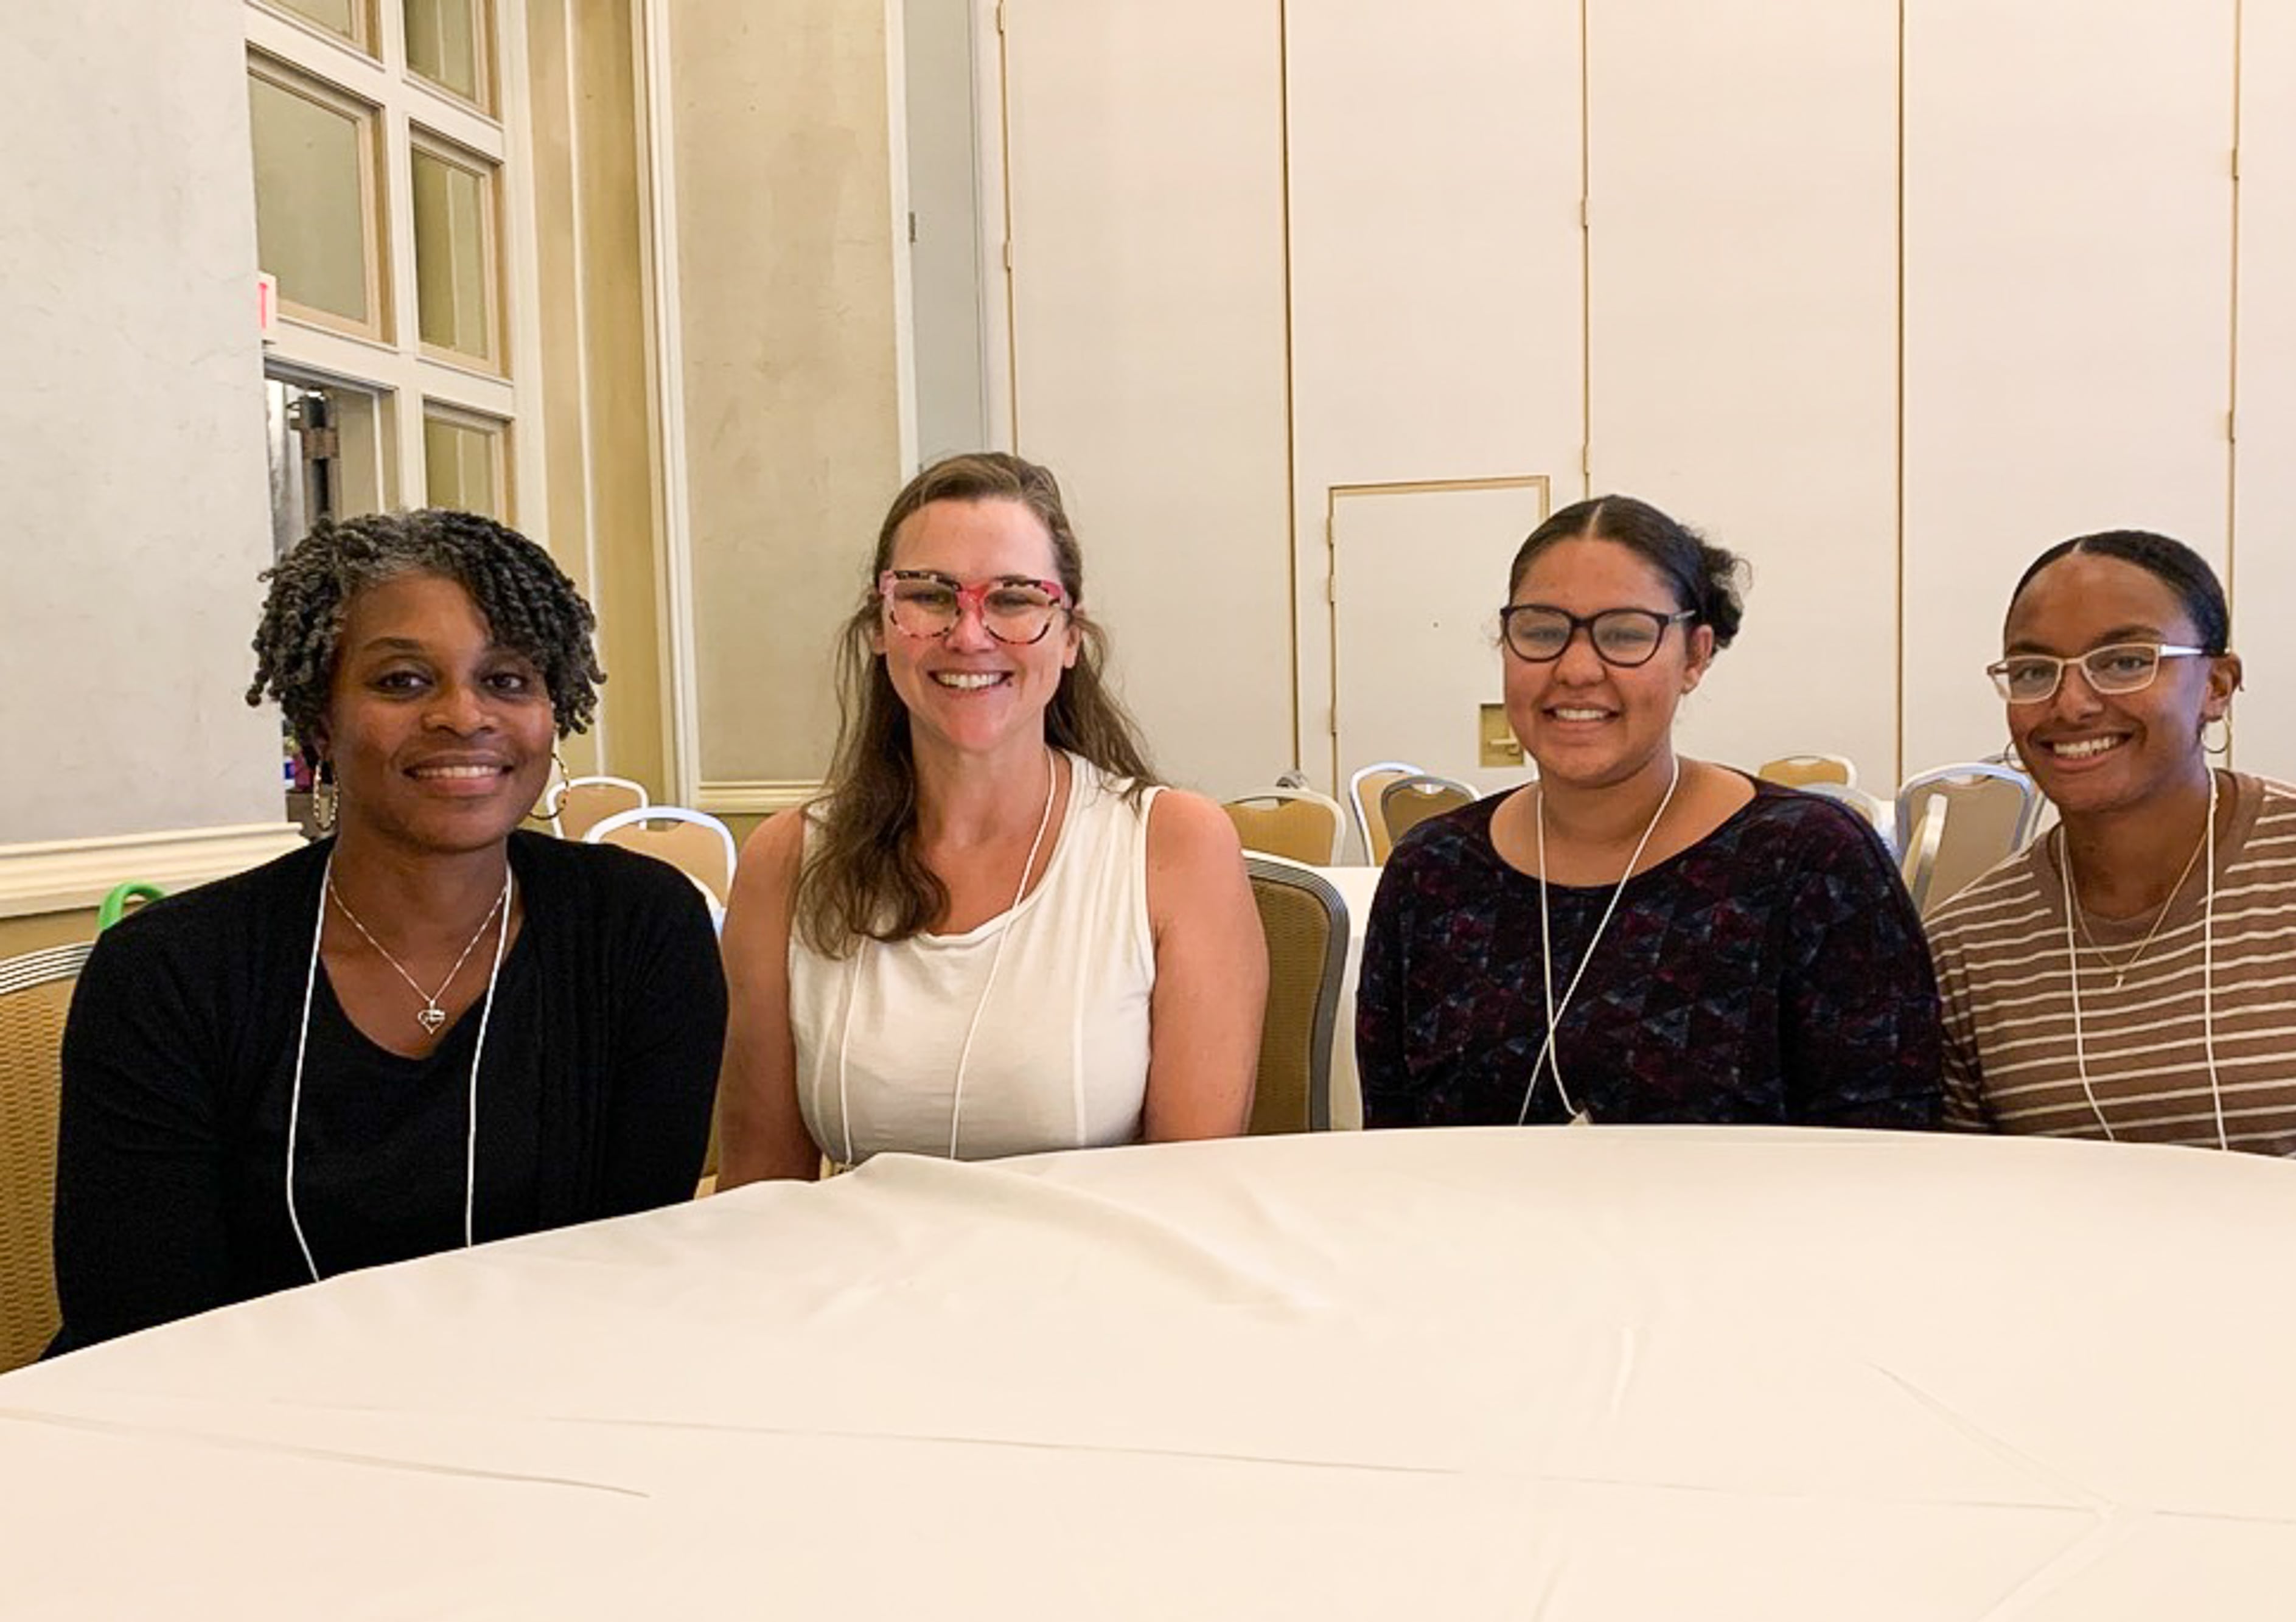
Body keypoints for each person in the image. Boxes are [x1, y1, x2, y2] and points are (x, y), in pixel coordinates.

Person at [50, 510, 724, 1353]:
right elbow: (140, 1326)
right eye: (403, 681)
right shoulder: (170, 972)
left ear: (554, 710)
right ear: (321, 722)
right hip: (228, 1432)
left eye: (508, 679)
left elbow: (636, 1261)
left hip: (552, 1407)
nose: (464, 715)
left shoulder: (640, 930)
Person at [716, 453, 1263, 1177]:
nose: (969, 634)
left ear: (1070, 637)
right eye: (929, 595)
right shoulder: (787, 860)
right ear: (880, 625)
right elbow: (761, 1185)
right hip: (853, 1283)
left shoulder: (1172, 846)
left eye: (1013, 599)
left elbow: (1194, 1190)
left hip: (1094, 1284)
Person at [1356, 495, 1940, 1129]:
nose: (1577, 668)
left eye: (1626, 634)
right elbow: (1393, 1145)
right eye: (1542, 630)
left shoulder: (1808, 861)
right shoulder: (1431, 872)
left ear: (1695, 656)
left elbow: (1888, 1148)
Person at [1929, 529, 2296, 1166]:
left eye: (2124, 661)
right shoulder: (1967, 948)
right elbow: (1966, 1203)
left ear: (2218, 685)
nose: (2072, 703)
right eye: (2034, 672)